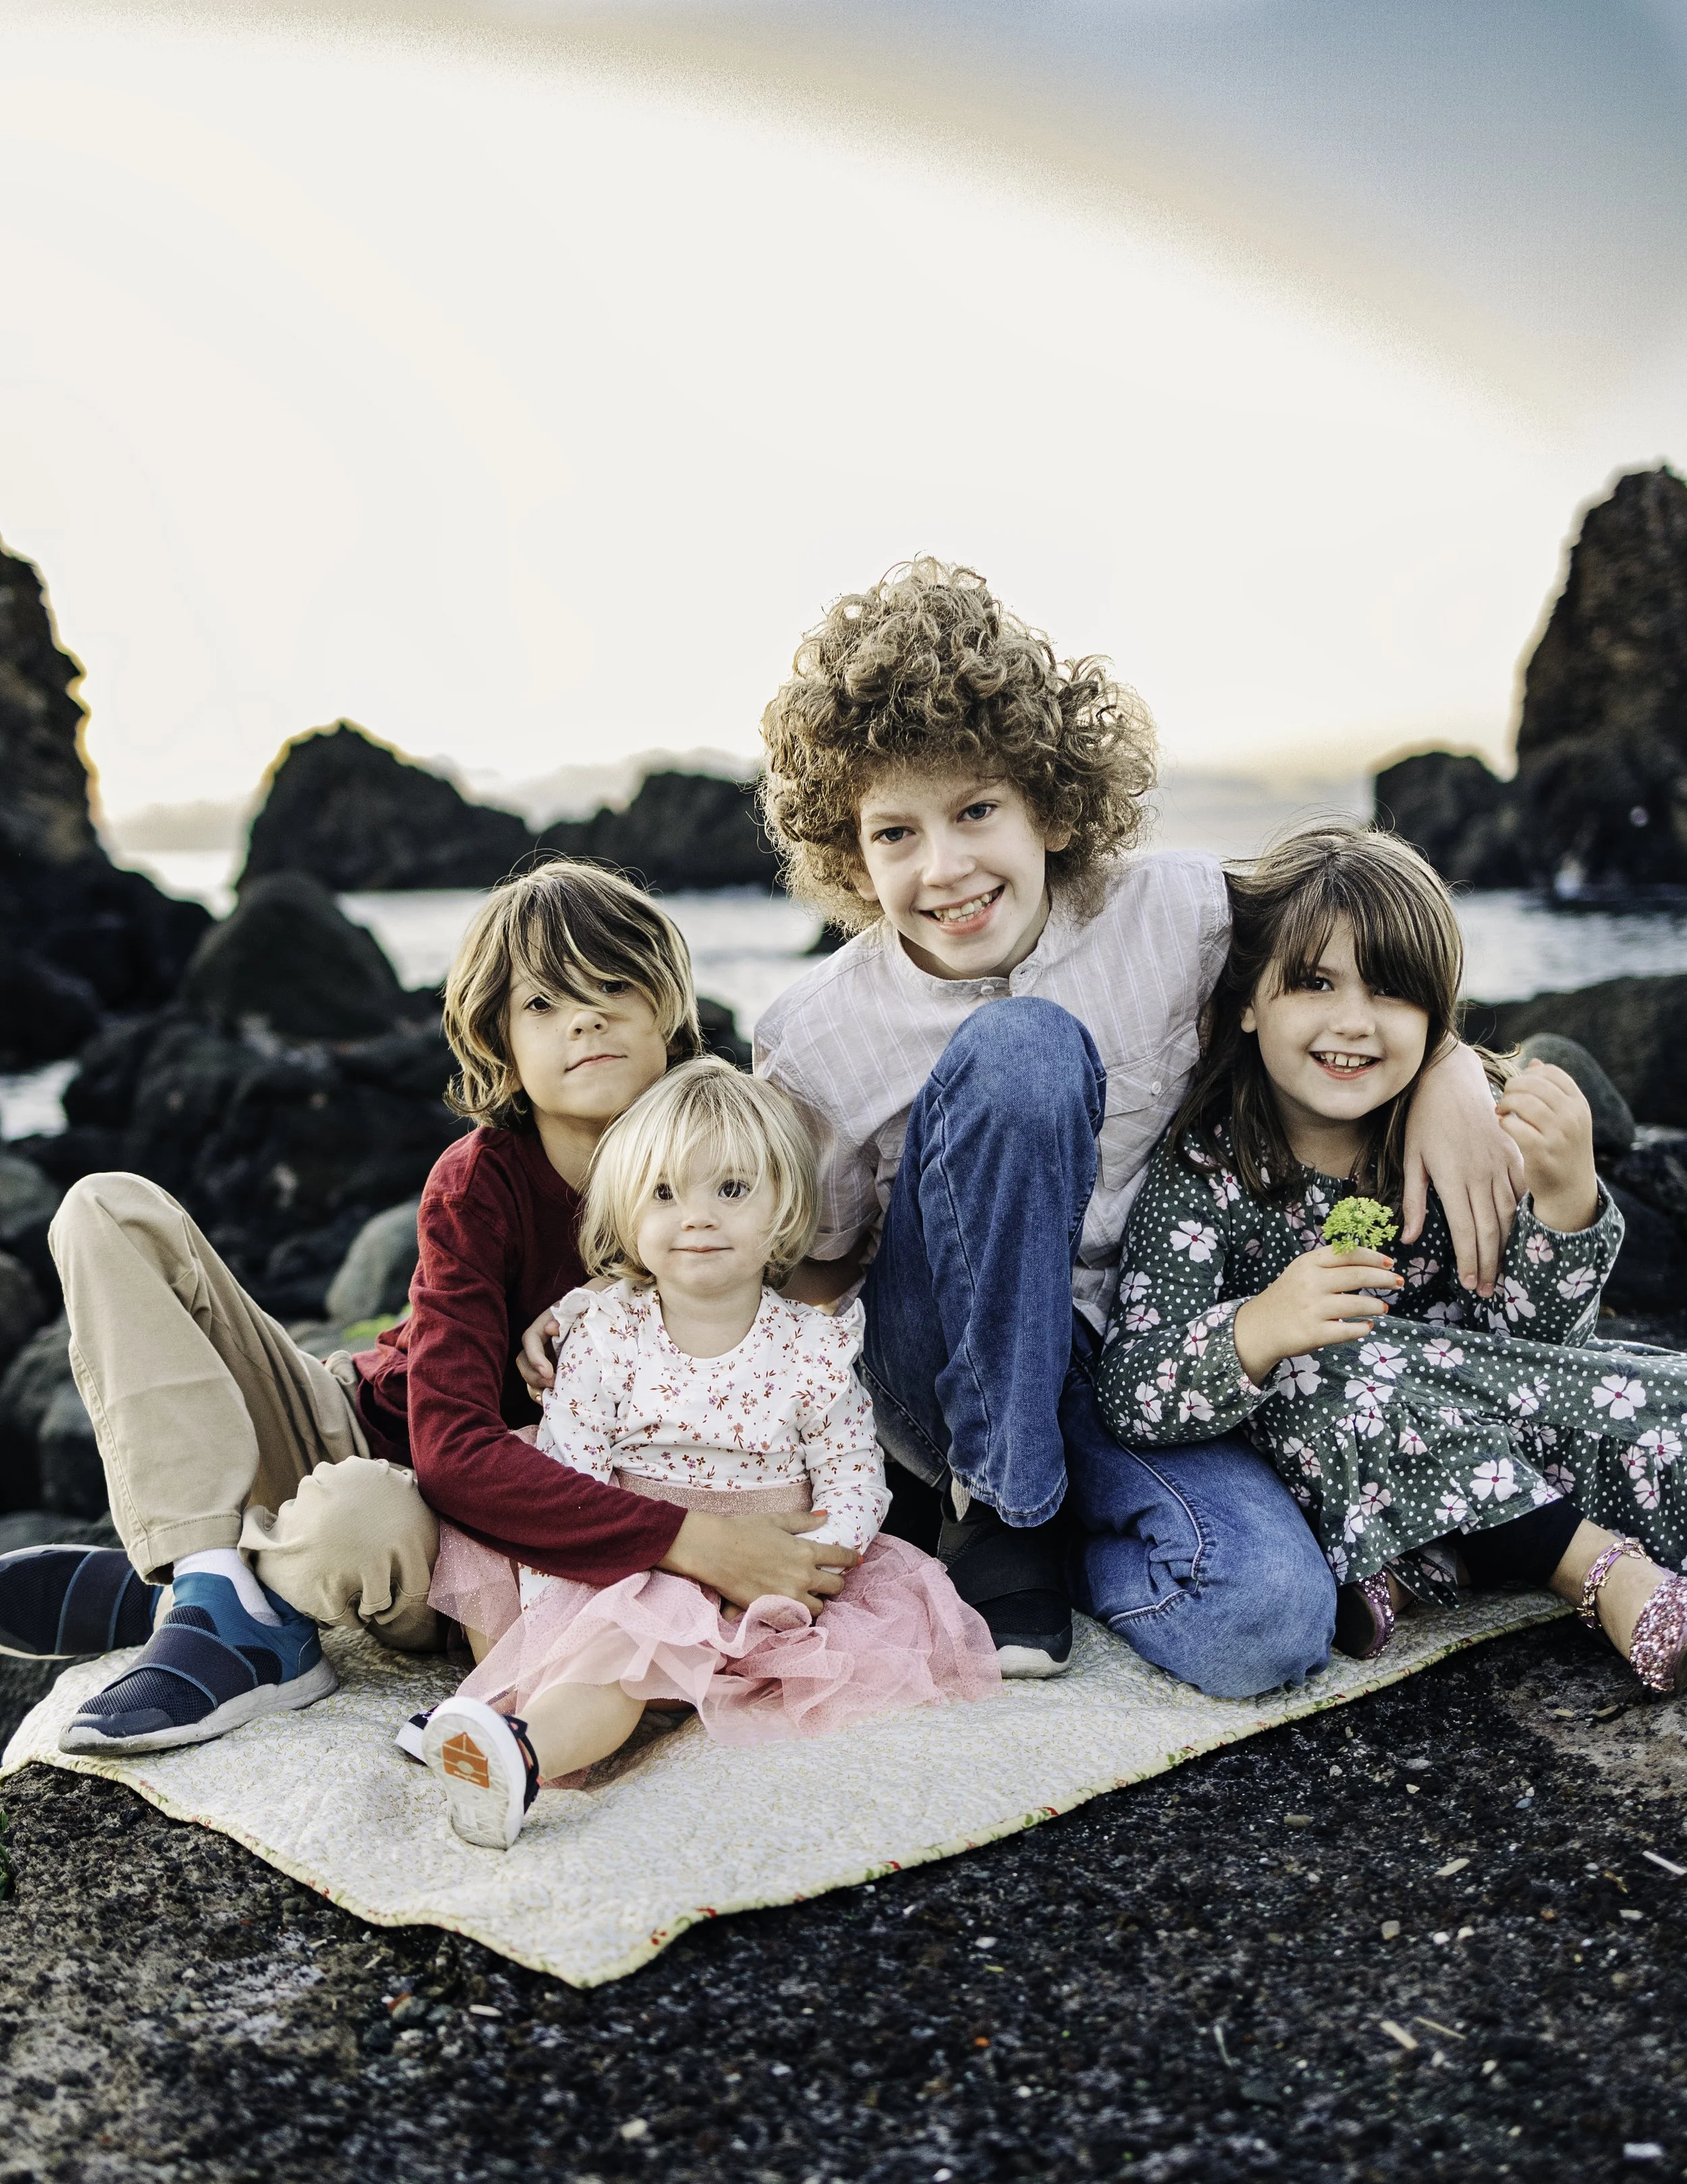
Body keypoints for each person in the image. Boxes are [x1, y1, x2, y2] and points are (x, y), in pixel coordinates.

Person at [717, 559, 1517, 1697]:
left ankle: (1073, 1536)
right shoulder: (812, 1034)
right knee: (1026, 1052)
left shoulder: (1182, 912)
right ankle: (998, 1509)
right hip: (939, 1382)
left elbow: (1345, 977)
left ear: (1048, 800)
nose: (945, 869)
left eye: (978, 810)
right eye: (895, 834)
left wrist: (1450, 1067)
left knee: (1271, 1621)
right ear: (851, 853)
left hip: (1136, 1360)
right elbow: (823, 1269)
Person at [0, 862, 857, 1753]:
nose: (586, 1018)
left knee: (349, 1526)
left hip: (454, 1542)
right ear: (501, 1044)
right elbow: (448, 1444)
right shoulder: (479, 1180)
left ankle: (199, 1588)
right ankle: (216, 1586)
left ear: (670, 1012)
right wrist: (691, 1541)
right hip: (361, 1425)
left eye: (614, 987)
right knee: (107, 1208)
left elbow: (802, 1314)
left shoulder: (732, 1159)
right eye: (543, 1004)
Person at [1095, 823, 1687, 1692]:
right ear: (1249, 1000)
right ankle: (1596, 1571)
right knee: (1336, 1363)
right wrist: (1257, 1330)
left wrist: (1564, 1198)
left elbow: (1538, 1347)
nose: (1353, 1022)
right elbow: (1129, 1390)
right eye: (1314, 982)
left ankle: (1434, 1560)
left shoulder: (1451, 1137)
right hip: (1318, 1460)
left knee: (1657, 1408)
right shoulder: (1204, 1174)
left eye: (1391, 991)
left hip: (1484, 1438)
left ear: (1434, 1014)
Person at [420, 1060, 998, 1851]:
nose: (696, 1216)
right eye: (664, 1193)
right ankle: (520, 1749)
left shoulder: (812, 1344)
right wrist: (564, 1610)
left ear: (782, 1210)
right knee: (616, 1651)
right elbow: (570, 1466)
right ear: (626, 1215)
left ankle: (513, 1736)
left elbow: (853, 1472)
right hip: (631, 1565)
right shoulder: (605, 1333)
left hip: (770, 1575)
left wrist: (820, 1561)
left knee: (660, 1657)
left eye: (730, 1190)